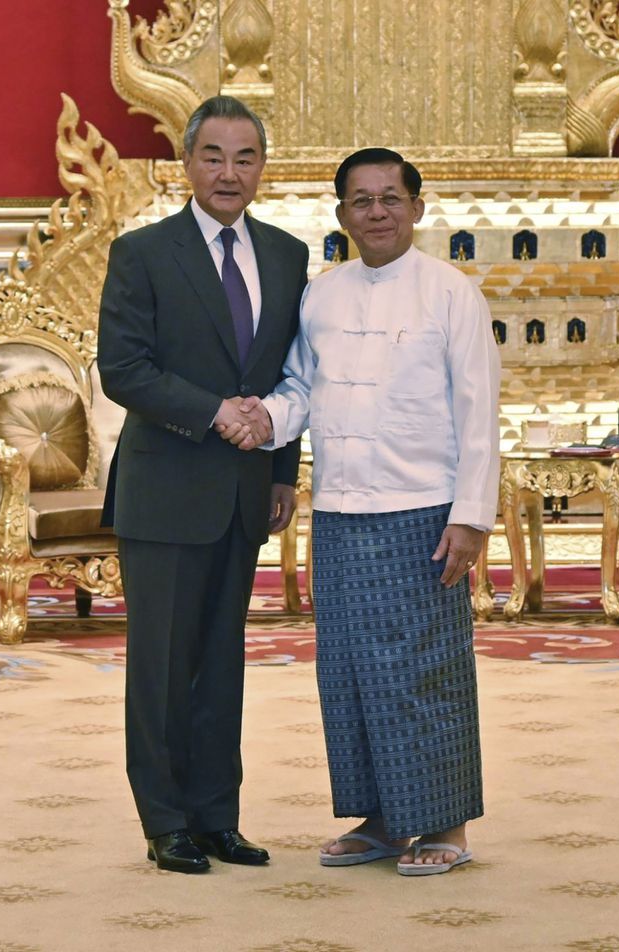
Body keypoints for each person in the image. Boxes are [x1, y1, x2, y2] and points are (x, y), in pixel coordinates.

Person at [219, 147, 500, 876]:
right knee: (348, 674)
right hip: (341, 511)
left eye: (390, 198)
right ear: (340, 214)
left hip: (423, 512)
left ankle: (445, 825)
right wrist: (262, 421)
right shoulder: (322, 296)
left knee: (425, 671)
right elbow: (301, 390)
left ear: (417, 206)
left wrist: (470, 517)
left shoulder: (451, 293)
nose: (377, 212)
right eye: (361, 201)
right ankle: (379, 819)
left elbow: (478, 415)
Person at [97, 96, 309, 874]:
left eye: (245, 157)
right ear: (187, 163)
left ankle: (218, 814)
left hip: (247, 491)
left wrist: (283, 470)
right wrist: (215, 413)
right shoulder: (144, 251)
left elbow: (289, 373)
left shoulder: (287, 256)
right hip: (165, 489)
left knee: (222, 662)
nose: (229, 171)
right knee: (161, 664)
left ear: (262, 167)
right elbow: (124, 369)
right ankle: (165, 821)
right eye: (213, 156)